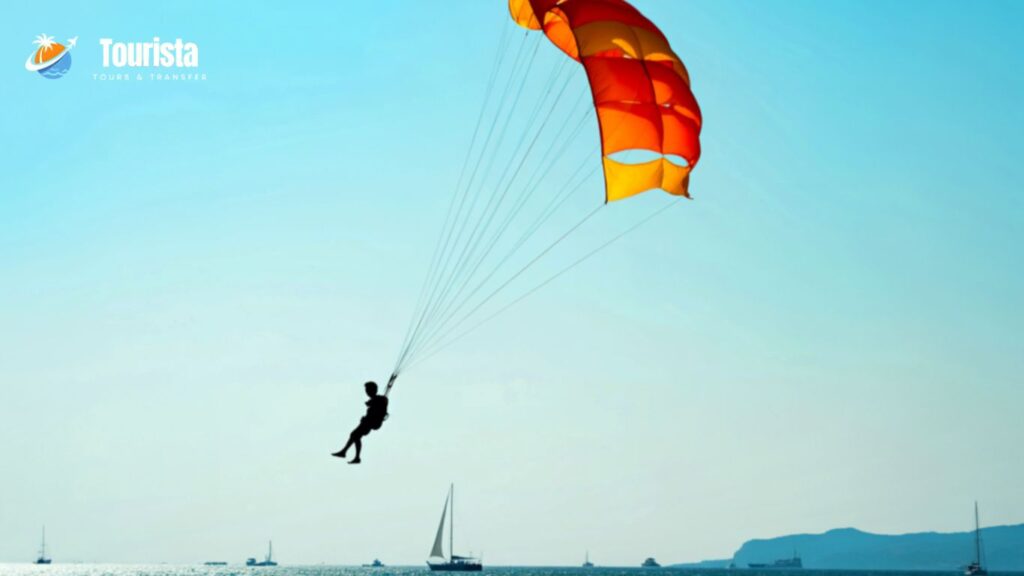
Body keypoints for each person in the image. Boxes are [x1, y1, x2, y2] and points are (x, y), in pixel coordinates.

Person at [332, 381, 388, 464]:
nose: (367, 392)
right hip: (368, 422)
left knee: (354, 435)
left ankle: (350, 455)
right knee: (355, 436)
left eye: (368, 390)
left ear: (373, 390)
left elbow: (381, 407)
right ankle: (347, 453)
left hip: (372, 422)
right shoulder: (375, 400)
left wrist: (373, 403)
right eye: (366, 391)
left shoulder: (381, 399)